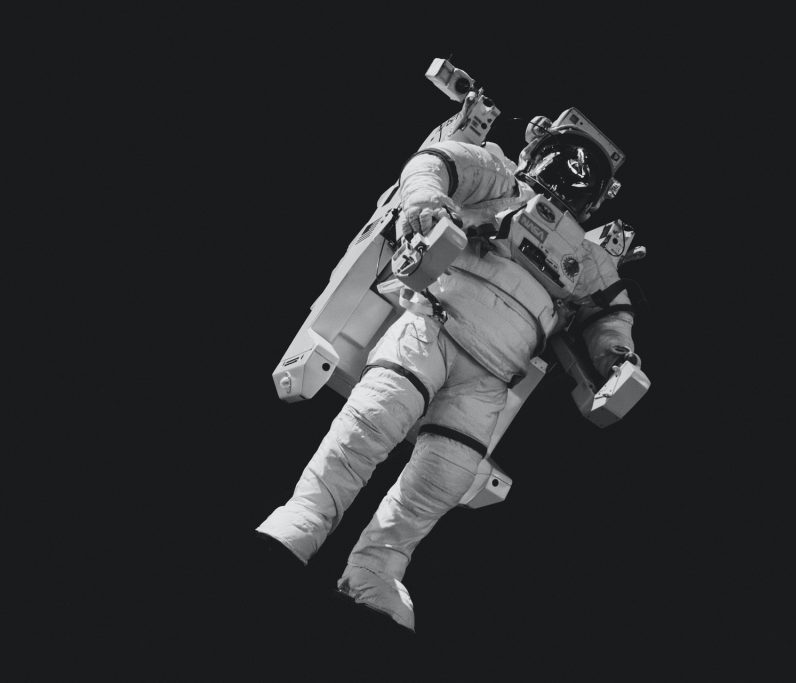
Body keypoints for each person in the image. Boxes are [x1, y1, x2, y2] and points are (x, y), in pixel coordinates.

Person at [256, 112, 639, 631]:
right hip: (435, 321)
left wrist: (617, 355)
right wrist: (424, 203)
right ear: (536, 151)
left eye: (586, 167)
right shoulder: (499, 178)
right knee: (372, 422)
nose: (574, 169)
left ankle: (376, 573)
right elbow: (432, 164)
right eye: (566, 155)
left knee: (443, 478)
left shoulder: (591, 260)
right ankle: (302, 521)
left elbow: (608, 315)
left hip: (492, 374)